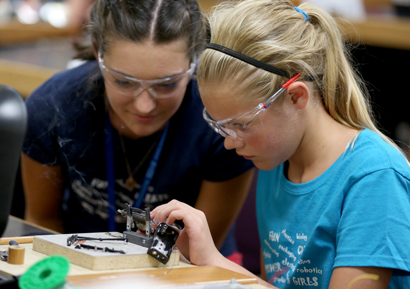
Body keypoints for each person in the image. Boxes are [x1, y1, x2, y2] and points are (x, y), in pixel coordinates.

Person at [150, 0, 410, 288]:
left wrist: (216, 262)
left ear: (296, 97)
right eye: (221, 126)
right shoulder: (276, 160)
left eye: (242, 124)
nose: (228, 144)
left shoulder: (375, 175)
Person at [21, 0, 255, 262]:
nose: (145, 106)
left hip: (188, 265)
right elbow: (42, 220)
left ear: (194, 59)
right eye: (124, 81)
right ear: (99, 52)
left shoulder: (221, 122)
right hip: (78, 261)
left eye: (167, 84)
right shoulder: (50, 107)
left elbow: (198, 256)